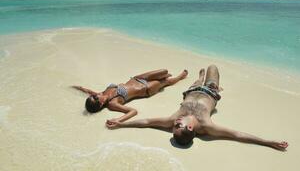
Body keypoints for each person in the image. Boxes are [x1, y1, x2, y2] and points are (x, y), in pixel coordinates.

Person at [106, 65, 289, 151]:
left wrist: (121, 124)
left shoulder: (173, 121)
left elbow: (146, 122)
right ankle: (206, 76)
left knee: (196, 80)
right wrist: (268, 142)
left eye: (175, 127)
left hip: (191, 90)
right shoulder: (207, 126)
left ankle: (199, 76)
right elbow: (237, 135)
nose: (175, 124)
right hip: (210, 90)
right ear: (191, 128)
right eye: (178, 126)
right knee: (213, 67)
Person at [72, 69, 188, 123]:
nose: (96, 94)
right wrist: (118, 120)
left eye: (93, 96)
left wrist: (76, 87)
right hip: (146, 89)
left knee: (164, 71)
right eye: (95, 97)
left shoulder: (101, 94)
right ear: (101, 104)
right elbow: (133, 111)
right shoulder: (112, 104)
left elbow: (86, 90)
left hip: (138, 78)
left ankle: (166, 77)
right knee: (166, 81)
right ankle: (179, 77)